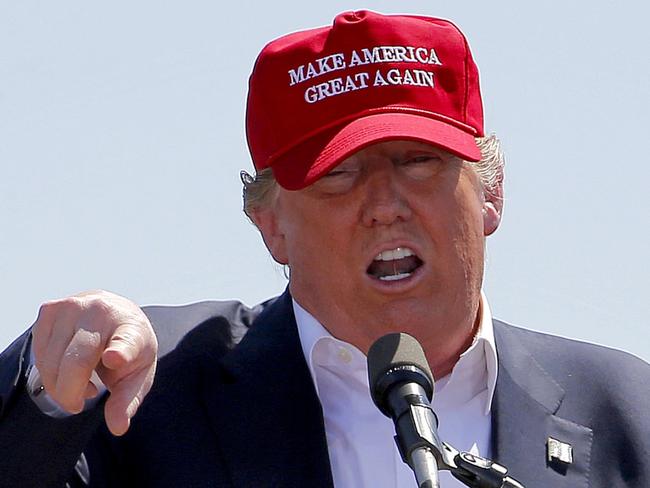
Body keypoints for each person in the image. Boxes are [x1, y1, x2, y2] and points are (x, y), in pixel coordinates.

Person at [0, 10, 648, 488]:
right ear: (270, 224)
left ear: (491, 193)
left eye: (418, 161)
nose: (386, 204)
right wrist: (51, 392)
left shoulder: (627, 413)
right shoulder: (152, 394)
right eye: (338, 174)